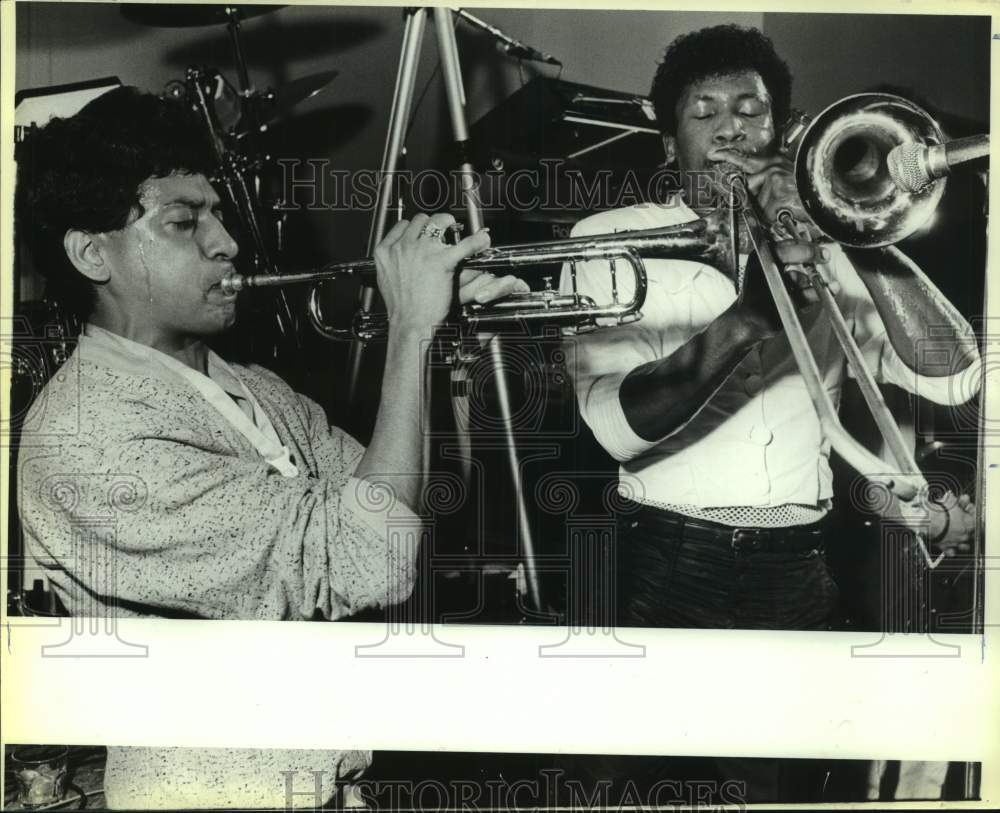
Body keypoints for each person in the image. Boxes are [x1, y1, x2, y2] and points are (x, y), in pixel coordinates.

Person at [14, 86, 526, 808]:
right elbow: (365, 560)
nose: (225, 241)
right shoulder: (86, 437)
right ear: (92, 253)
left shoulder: (253, 386)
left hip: (335, 781)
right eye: (185, 221)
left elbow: (417, 507)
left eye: (218, 213)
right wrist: (408, 333)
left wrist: (444, 347)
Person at [563, 24, 980, 635]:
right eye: (704, 114)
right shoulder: (612, 237)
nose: (730, 129)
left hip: (804, 560)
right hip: (664, 559)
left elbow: (954, 377)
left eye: (750, 111)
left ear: (783, 135)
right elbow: (617, 429)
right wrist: (742, 324)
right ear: (670, 147)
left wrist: (855, 221)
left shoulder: (832, 245)